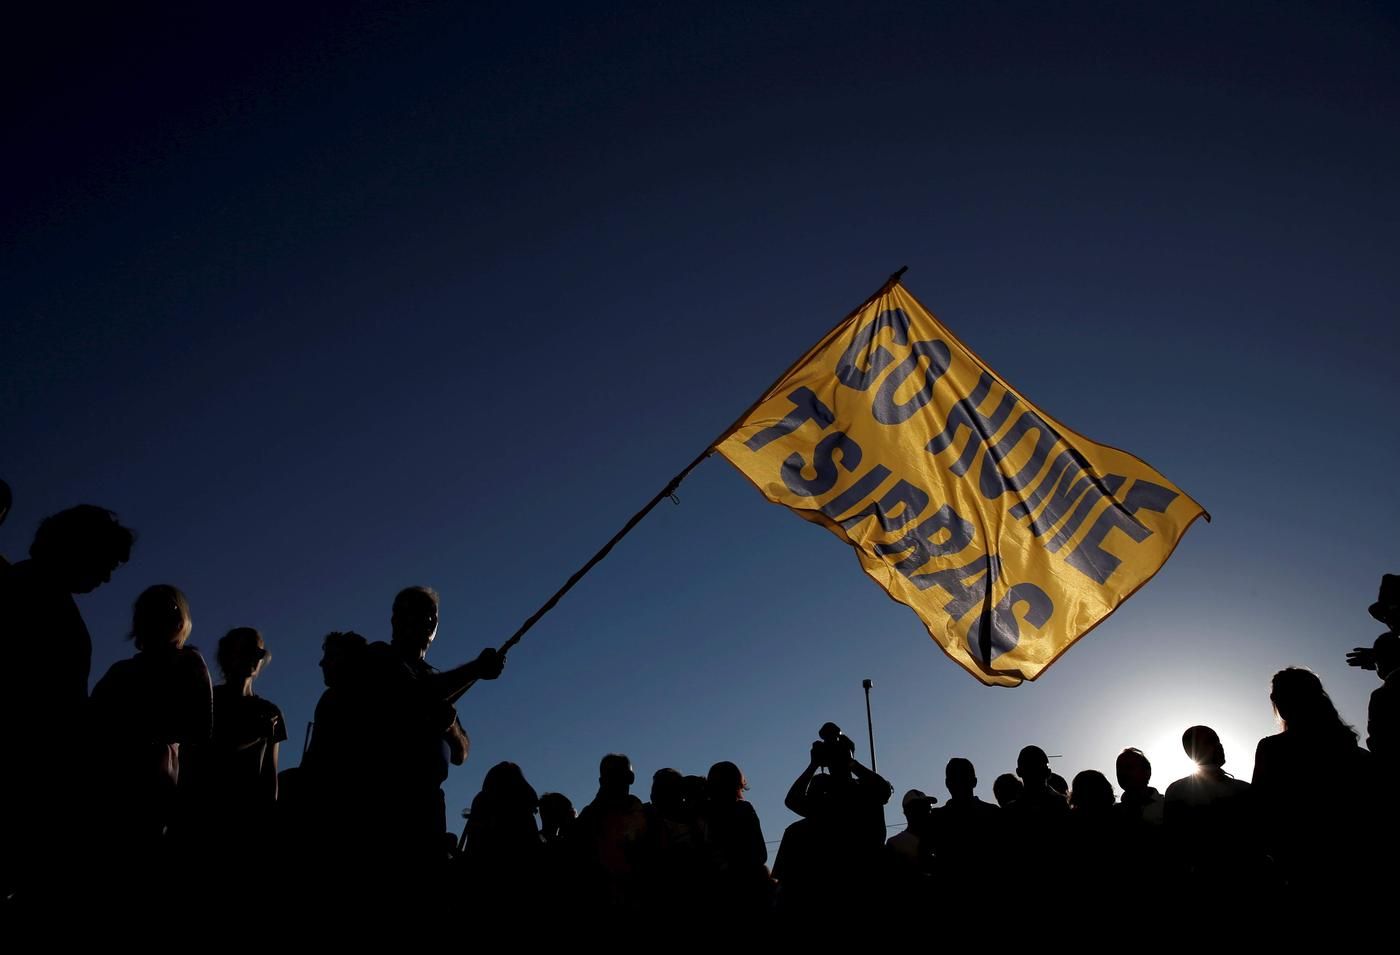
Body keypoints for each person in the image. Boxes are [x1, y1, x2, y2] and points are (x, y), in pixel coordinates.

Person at [0, 505, 134, 905]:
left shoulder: (36, 591)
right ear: (79, 548)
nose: (106, 576)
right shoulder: (28, 594)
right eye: (105, 563)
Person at [90, 585, 212, 867]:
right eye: (152, 611)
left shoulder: (189, 663)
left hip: (158, 788)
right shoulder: (120, 671)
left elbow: (200, 730)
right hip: (111, 786)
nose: (163, 617)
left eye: (171, 610)